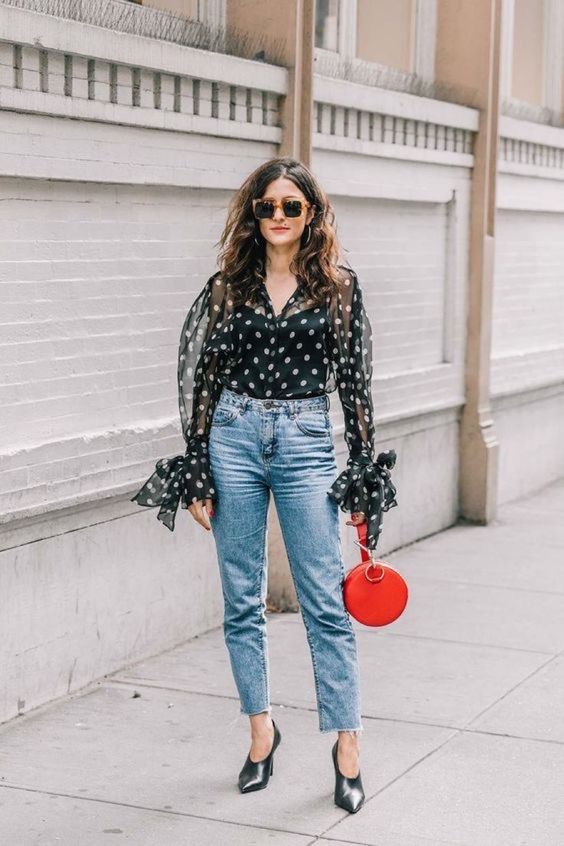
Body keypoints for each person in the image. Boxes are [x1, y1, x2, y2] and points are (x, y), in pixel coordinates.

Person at [131, 156, 398, 813]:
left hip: (306, 440)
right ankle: (260, 735)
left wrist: (362, 473)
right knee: (241, 597)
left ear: (312, 214)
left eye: (291, 206)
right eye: (266, 207)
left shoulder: (339, 287)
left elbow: (356, 387)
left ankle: (347, 747)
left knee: (325, 601)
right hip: (234, 437)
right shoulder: (227, 286)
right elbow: (197, 375)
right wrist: (197, 464)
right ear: (253, 215)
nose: (277, 217)